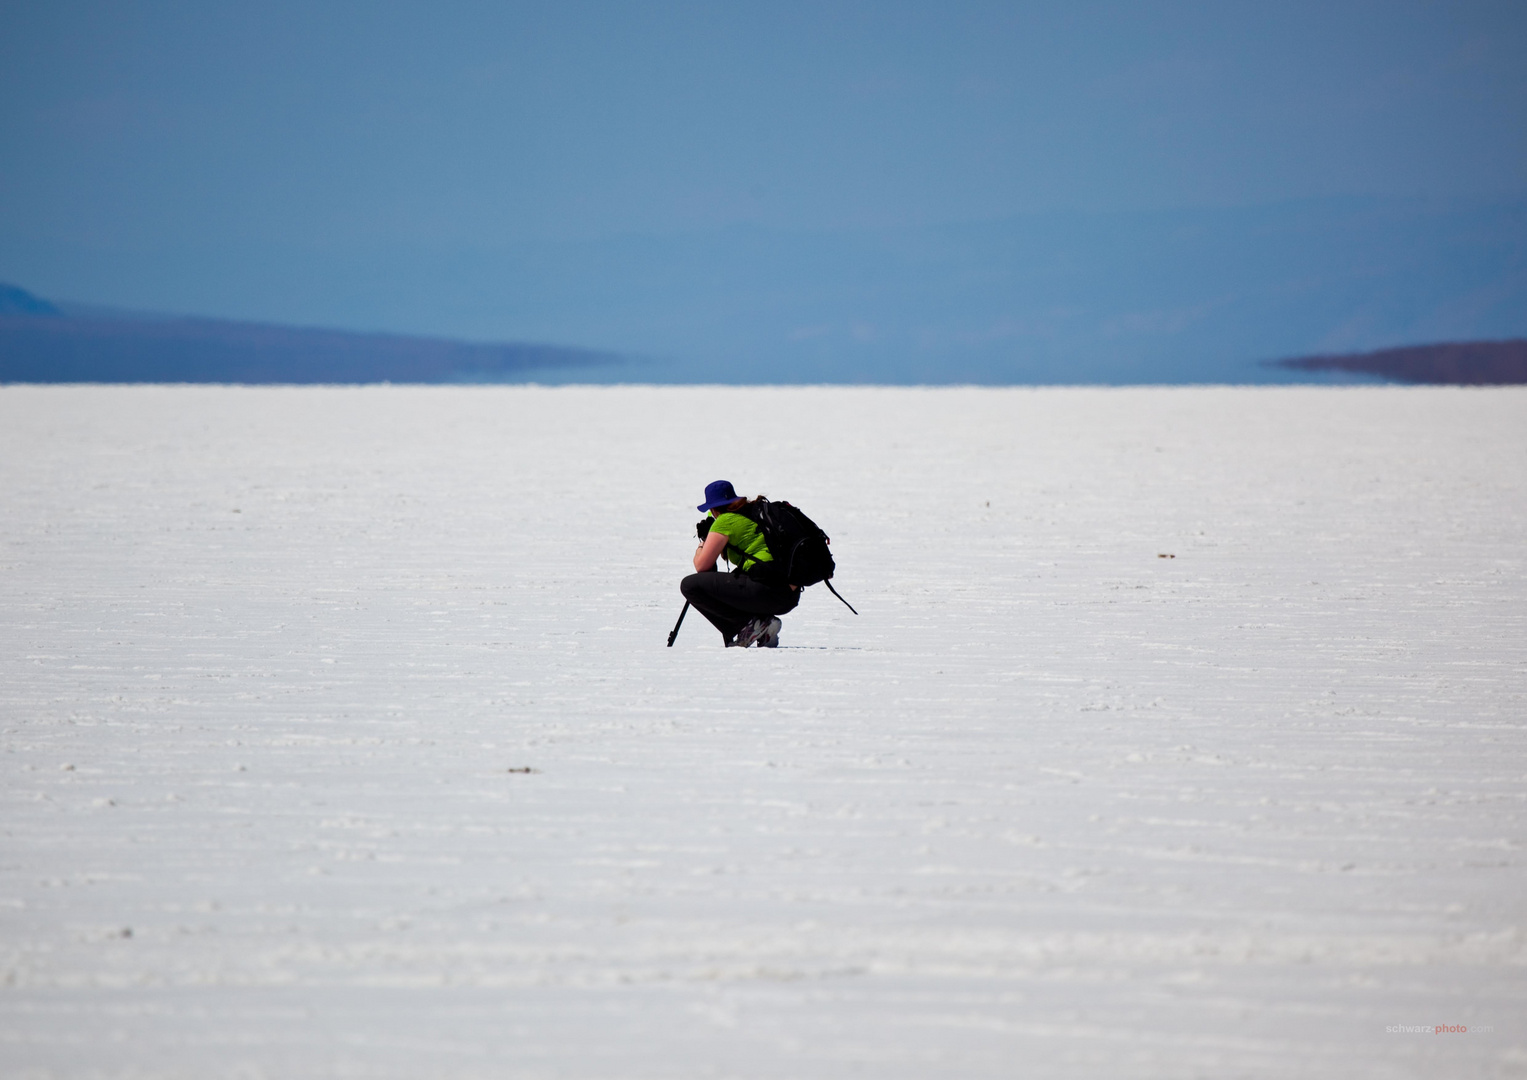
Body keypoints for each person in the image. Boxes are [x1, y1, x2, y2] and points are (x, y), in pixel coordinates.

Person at [680, 480, 801, 648]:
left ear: (713, 508)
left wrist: (704, 540)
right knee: (735, 578)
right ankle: (763, 631)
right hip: (788, 595)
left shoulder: (725, 521)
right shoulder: (751, 513)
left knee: (689, 585)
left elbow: (702, 566)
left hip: (765, 590)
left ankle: (752, 626)